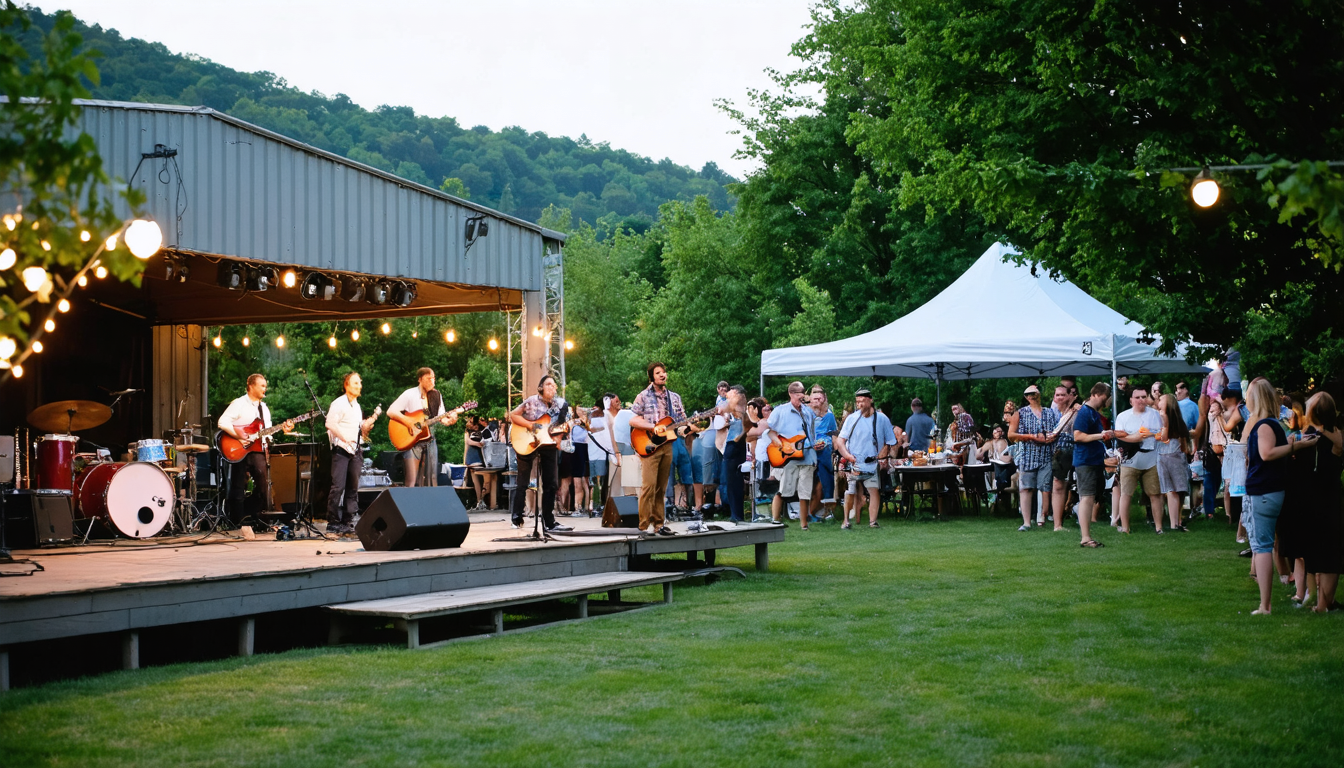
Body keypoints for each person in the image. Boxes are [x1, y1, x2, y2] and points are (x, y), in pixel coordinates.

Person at [1245, 377, 1318, 615]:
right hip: (1272, 490)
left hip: (1264, 491)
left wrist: (1297, 446)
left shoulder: (1264, 424)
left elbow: (1266, 454)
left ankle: (1265, 605)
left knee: (1262, 547)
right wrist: (1293, 443)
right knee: (1266, 545)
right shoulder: (1274, 423)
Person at [629, 362, 700, 536]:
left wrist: (692, 426)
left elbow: (682, 423)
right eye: (658, 373)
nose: (662, 375)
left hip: (668, 445)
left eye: (664, 372)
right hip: (649, 445)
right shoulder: (643, 396)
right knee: (649, 486)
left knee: (662, 487)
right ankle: (643, 526)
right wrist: (653, 427)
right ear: (651, 377)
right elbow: (633, 420)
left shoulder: (674, 397)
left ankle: (659, 525)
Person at [217, 373, 294, 528]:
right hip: (239, 449)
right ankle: (236, 521)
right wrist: (238, 435)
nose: (265, 389)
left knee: (264, 484)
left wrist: (283, 429)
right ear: (251, 386)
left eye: (265, 386)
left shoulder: (264, 408)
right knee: (238, 485)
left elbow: (266, 431)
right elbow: (222, 422)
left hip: (258, 449)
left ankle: (260, 520)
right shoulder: (239, 403)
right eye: (262, 386)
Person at [507, 374, 572, 532]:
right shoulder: (531, 401)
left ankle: (549, 521)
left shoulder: (560, 406)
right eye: (548, 384)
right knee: (522, 481)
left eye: (554, 385)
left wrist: (561, 435)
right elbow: (513, 415)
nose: (552, 387)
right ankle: (517, 516)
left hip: (548, 443)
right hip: (528, 441)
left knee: (551, 483)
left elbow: (564, 425)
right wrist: (530, 425)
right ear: (541, 387)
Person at [1301, 393, 1343, 613]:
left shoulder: (1323, 435)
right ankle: (1323, 602)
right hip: (1327, 497)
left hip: (1321, 497)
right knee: (1327, 551)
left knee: (1326, 551)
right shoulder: (1329, 434)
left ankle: (1323, 603)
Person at [324, 372, 379, 537]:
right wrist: (344, 437)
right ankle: (333, 522)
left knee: (353, 487)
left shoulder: (356, 405)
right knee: (338, 486)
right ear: (347, 385)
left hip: (355, 449)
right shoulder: (338, 403)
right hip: (341, 449)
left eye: (360, 383)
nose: (359, 386)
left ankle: (348, 521)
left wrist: (366, 425)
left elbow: (357, 426)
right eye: (356, 383)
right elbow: (329, 423)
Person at [835, 388, 897, 529]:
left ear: (870, 400)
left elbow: (891, 441)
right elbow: (840, 441)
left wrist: (885, 456)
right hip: (854, 461)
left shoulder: (882, 419)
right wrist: (847, 456)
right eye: (857, 402)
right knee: (850, 491)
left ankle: (872, 521)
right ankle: (846, 521)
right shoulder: (852, 419)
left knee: (874, 489)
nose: (860, 405)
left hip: (872, 461)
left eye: (862, 401)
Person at [388, 368, 458, 487]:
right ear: (420, 379)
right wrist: (409, 421)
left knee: (432, 478)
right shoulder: (409, 394)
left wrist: (450, 420)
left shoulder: (436, 395)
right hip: (412, 441)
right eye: (428, 378)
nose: (432, 381)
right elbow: (391, 411)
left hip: (429, 440)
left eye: (433, 378)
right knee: (412, 480)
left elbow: (442, 418)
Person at [764, 381, 820, 529]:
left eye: (802, 393)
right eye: (798, 393)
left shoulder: (808, 412)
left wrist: (816, 445)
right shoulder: (780, 411)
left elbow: (812, 434)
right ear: (791, 394)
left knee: (805, 491)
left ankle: (804, 524)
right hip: (789, 457)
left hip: (808, 454)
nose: (801, 396)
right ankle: (775, 520)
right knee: (784, 489)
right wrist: (782, 445)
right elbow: (770, 431)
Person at [1113, 386, 1165, 534]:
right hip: (1130, 459)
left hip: (1152, 458)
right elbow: (1120, 437)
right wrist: (1137, 437)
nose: (1141, 400)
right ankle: (1125, 527)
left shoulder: (1155, 415)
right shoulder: (1123, 416)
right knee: (1126, 493)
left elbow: (1161, 434)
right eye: (1137, 397)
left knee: (1155, 494)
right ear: (1131, 400)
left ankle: (1159, 527)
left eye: (1143, 397)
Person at [1008, 385, 1059, 531]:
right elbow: (1011, 435)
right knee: (1026, 488)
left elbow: (1055, 430)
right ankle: (1026, 522)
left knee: (1045, 487)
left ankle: (1042, 517)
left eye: (1034, 393)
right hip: (1027, 455)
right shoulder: (1020, 413)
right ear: (1025, 397)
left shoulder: (1049, 412)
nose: (1031, 396)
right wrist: (1031, 436)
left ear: (1039, 394)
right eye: (1028, 394)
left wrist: (1051, 437)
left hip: (1046, 454)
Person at [1073, 382, 1115, 548]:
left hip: (1094, 460)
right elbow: (1078, 436)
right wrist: (1101, 435)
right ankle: (1085, 538)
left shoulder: (1093, 413)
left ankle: (1086, 533)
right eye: (1106, 398)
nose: (1107, 402)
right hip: (1086, 461)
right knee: (1087, 497)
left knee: (1091, 497)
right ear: (1098, 394)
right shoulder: (1085, 412)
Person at [1156, 394, 1193, 532]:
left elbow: (1167, 437)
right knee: (1172, 491)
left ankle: (1176, 522)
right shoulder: (1166, 419)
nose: (1158, 402)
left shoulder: (1169, 419)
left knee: (1175, 490)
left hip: (1172, 457)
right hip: (1165, 456)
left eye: (1161, 400)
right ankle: (1175, 523)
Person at [717, 385, 752, 522]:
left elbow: (724, 407)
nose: (728, 394)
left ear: (736, 392)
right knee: (734, 482)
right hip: (737, 444)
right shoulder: (740, 407)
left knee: (732, 482)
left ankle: (736, 515)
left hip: (734, 444)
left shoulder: (738, 403)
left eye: (730, 392)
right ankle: (737, 514)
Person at [1049, 385, 1081, 531]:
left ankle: (1082, 517)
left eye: (1063, 394)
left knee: (1075, 485)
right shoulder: (1052, 413)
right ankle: (1057, 524)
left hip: (1072, 450)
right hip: (1056, 452)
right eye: (1057, 395)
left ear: (1069, 396)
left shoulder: (1076, 411)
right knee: (1058, 485)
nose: (1060, 397)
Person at [698, 381, 730, 515]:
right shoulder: (718, 400)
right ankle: (713, 503)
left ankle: (724, 505)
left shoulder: (730, 400)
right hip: (717, 436)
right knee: (714, 468)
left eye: (725, 388)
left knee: (725, 471)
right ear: (717, 390)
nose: (723, 390)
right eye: (720, 388)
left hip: (727, 436)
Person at [810, 385, 839, 522]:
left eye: (820, 396)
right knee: (810, 484)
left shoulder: (829, 415)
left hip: (824, 450)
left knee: (825, 481)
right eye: (814, 395)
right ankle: (804, 512)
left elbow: (834, 435)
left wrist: (836, 452)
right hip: (808, 450)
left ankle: (828, 511)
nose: (817, 399)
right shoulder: (806, 413)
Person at [558, 404, 591, 517]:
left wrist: (585, 420)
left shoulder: (587, 422)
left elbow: (591, 430)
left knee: (579, 479)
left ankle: (578, 507)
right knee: (565, 479)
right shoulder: (569, 421)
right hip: (567, 449)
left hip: (581, 448)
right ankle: (561, 506)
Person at [464, 415, 498, 511]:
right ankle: (479, 500)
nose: (473, 425)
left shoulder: (483, 431)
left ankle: (482, 500)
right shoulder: (468, 432)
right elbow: (467, 442)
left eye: (473, 423)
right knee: (475, 480)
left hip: (481, 456)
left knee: (484, 480)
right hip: (472, 455)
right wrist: (465, 459)